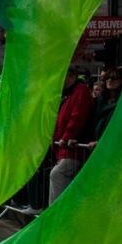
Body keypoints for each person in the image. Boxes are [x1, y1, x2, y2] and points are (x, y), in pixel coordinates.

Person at [48, 67, 94, 205]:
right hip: (65, 147)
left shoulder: (80, 92)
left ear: (72, 76)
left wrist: (66, 137)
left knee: (58, 174)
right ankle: (55, 213)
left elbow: (77, 117)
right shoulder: (69, 93)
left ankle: (56, 215)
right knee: (58, 175)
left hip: (72, 148)